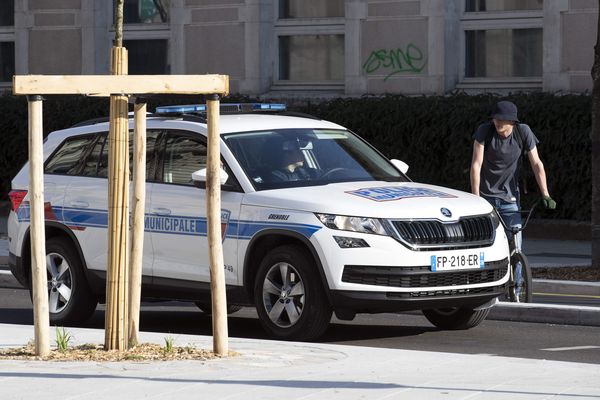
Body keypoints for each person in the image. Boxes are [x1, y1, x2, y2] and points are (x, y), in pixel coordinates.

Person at [470, 100, 556, 249]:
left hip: (510, 200)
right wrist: (476, 197)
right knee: (489, 246)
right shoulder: (485, 131)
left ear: (511, 121)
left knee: (516, 247)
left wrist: (545, 194)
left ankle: (518, 273)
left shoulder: (523, 131)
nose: (497, 122)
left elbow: (536, 163)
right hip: (486, 199)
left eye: (501, 119)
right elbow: (476, 165)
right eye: (495, 118)